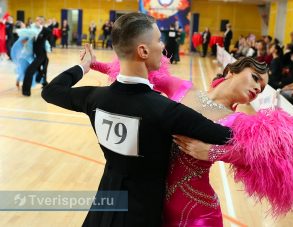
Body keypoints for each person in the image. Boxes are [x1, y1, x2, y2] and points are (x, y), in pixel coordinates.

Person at [90, 50, 293, 225]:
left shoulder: (239, 122)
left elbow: (260, 157)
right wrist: (93, 64)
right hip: (151, 200)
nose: (258, 89)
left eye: (261, 88)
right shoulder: (184, 89)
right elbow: (136, 77)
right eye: (255, 78)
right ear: (231, 71)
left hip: (196, 211)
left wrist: (213, 152)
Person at [42, 13, 233, 227]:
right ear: (143, 51)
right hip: (142, 214)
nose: (163, 47)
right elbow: (228, 136)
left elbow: (51, 91)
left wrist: (84, 67)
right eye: (159, 40)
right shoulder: (165, 110)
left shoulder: (95, 98)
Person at [22, 16, 51, 96]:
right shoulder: (33, 31)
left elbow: (49, 32)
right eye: (36, 20)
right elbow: (27, 36)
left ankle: (26, 91)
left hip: (41, 56)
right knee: (41, 72)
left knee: (29, 71)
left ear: (42, 22)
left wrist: (42, 27)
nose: (36, 21)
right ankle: (45, 83)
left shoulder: (45, 31)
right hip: (35, 56)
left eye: (38, 20)